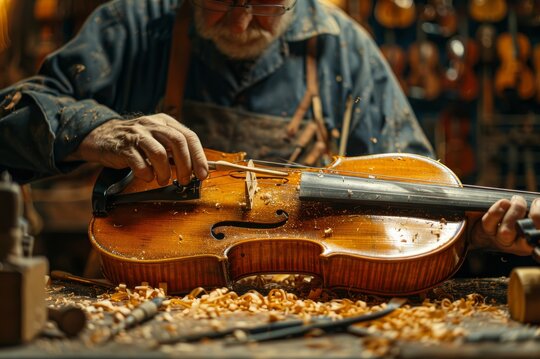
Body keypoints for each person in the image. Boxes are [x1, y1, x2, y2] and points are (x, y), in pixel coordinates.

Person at [0, 0, 536, 259]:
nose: (238, 25)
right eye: (218, 3)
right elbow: (10, 118)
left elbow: (415, 212)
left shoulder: (344, 48)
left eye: (263, 7)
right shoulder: (136, 22)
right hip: (140, 292)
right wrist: (95, 129)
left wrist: (477, 233)